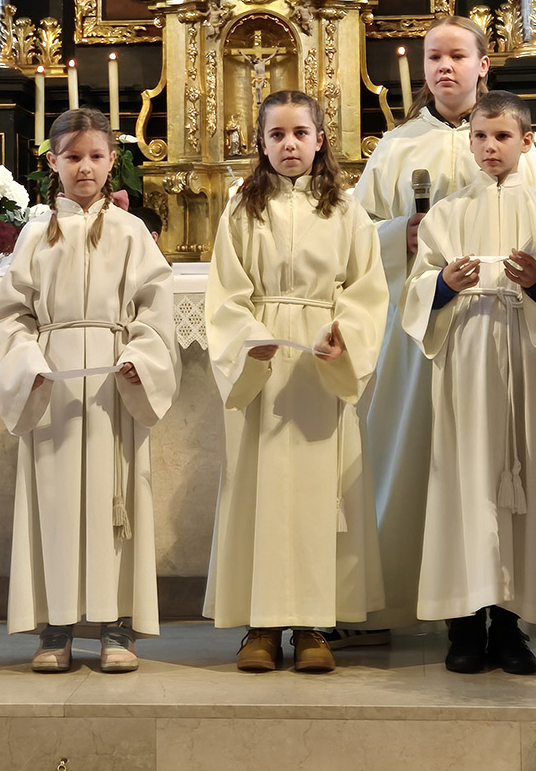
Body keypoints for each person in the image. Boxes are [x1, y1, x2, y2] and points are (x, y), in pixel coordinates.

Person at [350, 16, 536, 638]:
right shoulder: (396, 145)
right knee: (418, 455)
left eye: (457, 56)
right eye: (433, 56)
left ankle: (500, 603)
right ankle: (406, 596)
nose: (444, 66)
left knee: (496, 462)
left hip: (499, 337)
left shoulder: (518, 147)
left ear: (482, 64)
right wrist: (399, 235)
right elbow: (356, 234)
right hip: (422, 327)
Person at [0, 108, 179, 673]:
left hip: (115, 383)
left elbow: (155, 308)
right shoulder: (34, 234)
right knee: (56, 501)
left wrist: (141, 359)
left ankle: (116, 626)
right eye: (73, 157)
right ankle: (57, 625)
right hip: (53, 384)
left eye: (95, 156)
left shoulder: (130, 232)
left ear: (113, 161)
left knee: (117, 502)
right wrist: (26, 364)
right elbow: (7, 317)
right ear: (53, 163)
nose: (85, 167)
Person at [401, 91, 536, 673]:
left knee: (522, 482)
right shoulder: (448, 213)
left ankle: (510, 626)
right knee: (462, 481)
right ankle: (464, 624)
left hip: (521, 362)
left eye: (503, 136)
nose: (489, 147)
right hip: (464, 360)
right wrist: (444, 286)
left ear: (527, 142)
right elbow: (415, 292)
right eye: (480, 136)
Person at [204, 90, 388, 673]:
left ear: (320, 140)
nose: (289, 144)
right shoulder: (242, 210)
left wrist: (344, 336)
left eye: (300, 133)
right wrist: (246, 338)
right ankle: (260, 627)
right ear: (261, 143)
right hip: (263, 362)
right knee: (258, 490)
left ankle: (313, 625)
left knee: (317, 495)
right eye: (277, 134)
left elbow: (366, 290)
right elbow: (225, 293)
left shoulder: (347, 212)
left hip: (319, 362)